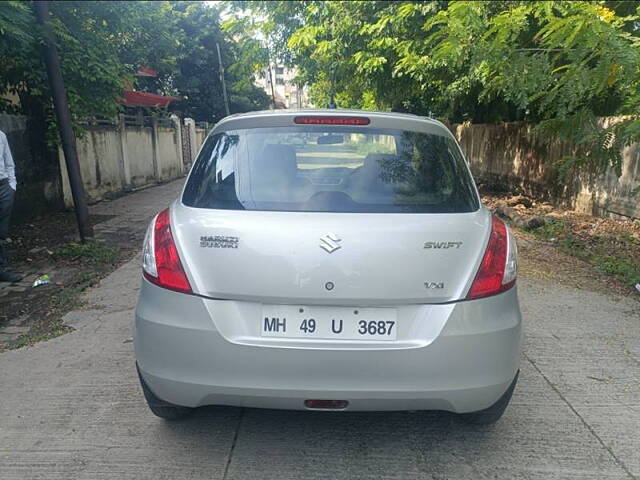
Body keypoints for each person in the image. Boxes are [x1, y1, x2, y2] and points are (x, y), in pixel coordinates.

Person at [0, 128, 22, 283]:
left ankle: (1, 270)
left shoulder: (0, 135)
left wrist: (11, 186)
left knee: (1, 233)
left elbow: (9, 163)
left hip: (4, 188)